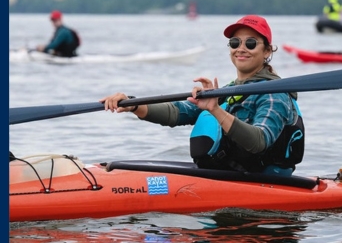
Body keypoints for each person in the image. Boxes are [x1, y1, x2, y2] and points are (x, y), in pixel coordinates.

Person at [100, 15, 305, 176]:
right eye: (235, 43)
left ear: (267, 51)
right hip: (230, 175)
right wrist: (133, 104)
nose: (241, 49)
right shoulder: (231, 90)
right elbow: (176, 113)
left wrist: (215, 110)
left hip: (263, 180)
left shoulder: (273, 94)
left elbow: (259, 141)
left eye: (250, 43)